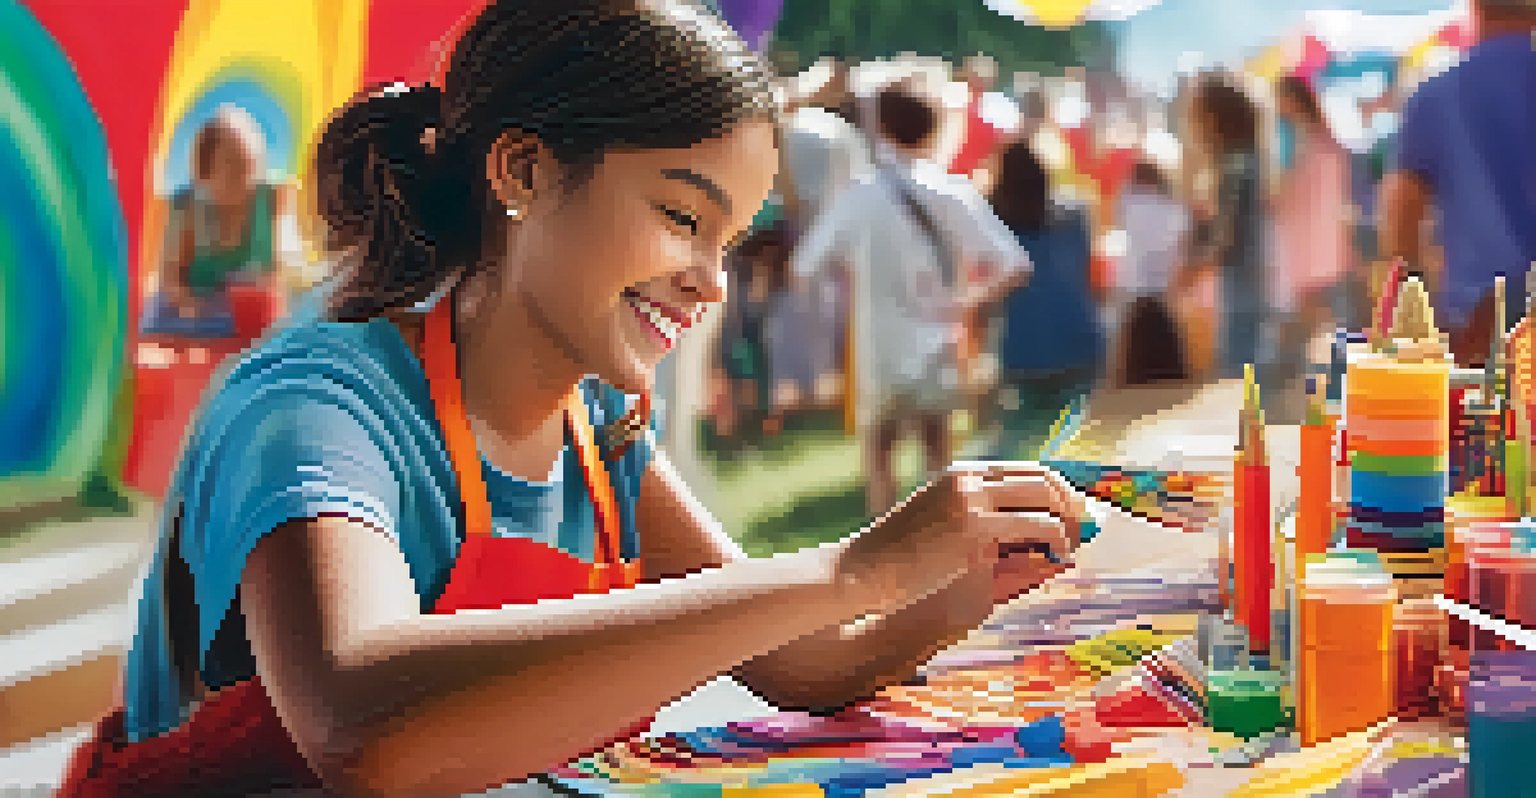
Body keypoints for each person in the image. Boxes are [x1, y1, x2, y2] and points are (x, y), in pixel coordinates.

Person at [60, 4, 1084, 797]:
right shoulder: (317, 407)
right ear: (523, 171)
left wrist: (966, 580)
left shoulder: (599, 434)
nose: (711, 281)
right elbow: (362, 724)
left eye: (728, 241)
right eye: (683, 215)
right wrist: (853, 565)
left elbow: (801, 665)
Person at [792, 80, 1032, 518]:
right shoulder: (952, 191)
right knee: (938, 456)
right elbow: (1015, 265)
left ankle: (883, 566)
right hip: (937, 343)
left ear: (881, 126)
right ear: (935, 127)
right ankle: (947, 556)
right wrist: (965, 300)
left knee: (880, 462)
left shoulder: (860, 194)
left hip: (877, 348)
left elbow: (805, 266)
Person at [1379, 0, 1536, 367]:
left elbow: (1401, 217)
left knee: (1489, 422)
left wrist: (1417, 305)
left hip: (1480, 322)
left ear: (1475, 7)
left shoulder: (1437, 94)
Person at [981, 141, 1104, 460]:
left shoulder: (995, 221)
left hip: (1024, 348)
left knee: (1016, 444)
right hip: (1079, 339)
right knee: (1075, 443)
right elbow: (1088, 270)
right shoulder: (1075, 214)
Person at [143, 105, 285, 338]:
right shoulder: (188, 209)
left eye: (249, 167)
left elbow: (278, 272)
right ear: (203, 175)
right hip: (193, 314)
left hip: (246, 317)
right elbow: (169, 278)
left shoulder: (270, 201)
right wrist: (187, 304)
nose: (244, 178)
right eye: (232, 167)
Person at [1177, 72, 1268, 382]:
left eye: (1197, 119)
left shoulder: (1235, 164)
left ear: (1214, 119)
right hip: (1255, 283)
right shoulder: (1251, 158)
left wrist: (1191, 269)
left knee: (1238, 377)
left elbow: (1226, 237)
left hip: (1242, 288)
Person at [1270, 75, 1352, 375]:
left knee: (1307, 306)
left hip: (1304, 234)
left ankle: (1307, 368)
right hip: (1323, 235)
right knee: (1319, 307)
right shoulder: (1328, 140)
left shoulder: (1295, 138)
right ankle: (1319, 366)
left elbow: (1283, 191)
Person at [1112, 160, 1191, 387]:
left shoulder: (1129, 201)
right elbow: (1182, 246)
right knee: (1170, 370)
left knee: (1134, 370)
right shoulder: (1174, 208)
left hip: (1136, 294)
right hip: (1164, 295)